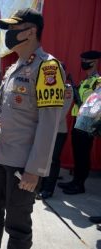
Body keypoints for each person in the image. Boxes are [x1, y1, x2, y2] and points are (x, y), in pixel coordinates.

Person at [0, 8, 64, 249]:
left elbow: (49, 125)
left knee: (17, 226)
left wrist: (34, 170)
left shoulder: (48, 68)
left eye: (14, 28)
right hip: (1, 156)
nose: (9, 33)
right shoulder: (12, 67)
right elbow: (0, 108)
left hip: (23, 164)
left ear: (31, 31)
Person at [58, 50, 101, 195]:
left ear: (94, 62)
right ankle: (75, 180)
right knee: (77, 152)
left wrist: (82, 103)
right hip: (78, 120)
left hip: (87, 122)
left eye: (86, 61)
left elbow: (97, 103)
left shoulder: (98, 81)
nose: (83, 63)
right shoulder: (85, 81)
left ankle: (80, 184)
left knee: (83, 154)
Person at [37, 74, 74, 199]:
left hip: (58, 130)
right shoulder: (47, 85)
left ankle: (48, 189)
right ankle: (40, 186)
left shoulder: (67, 88)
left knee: (53, 160)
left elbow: (64, 110)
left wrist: (47, 122)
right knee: (43, 158)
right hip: (45, 128)